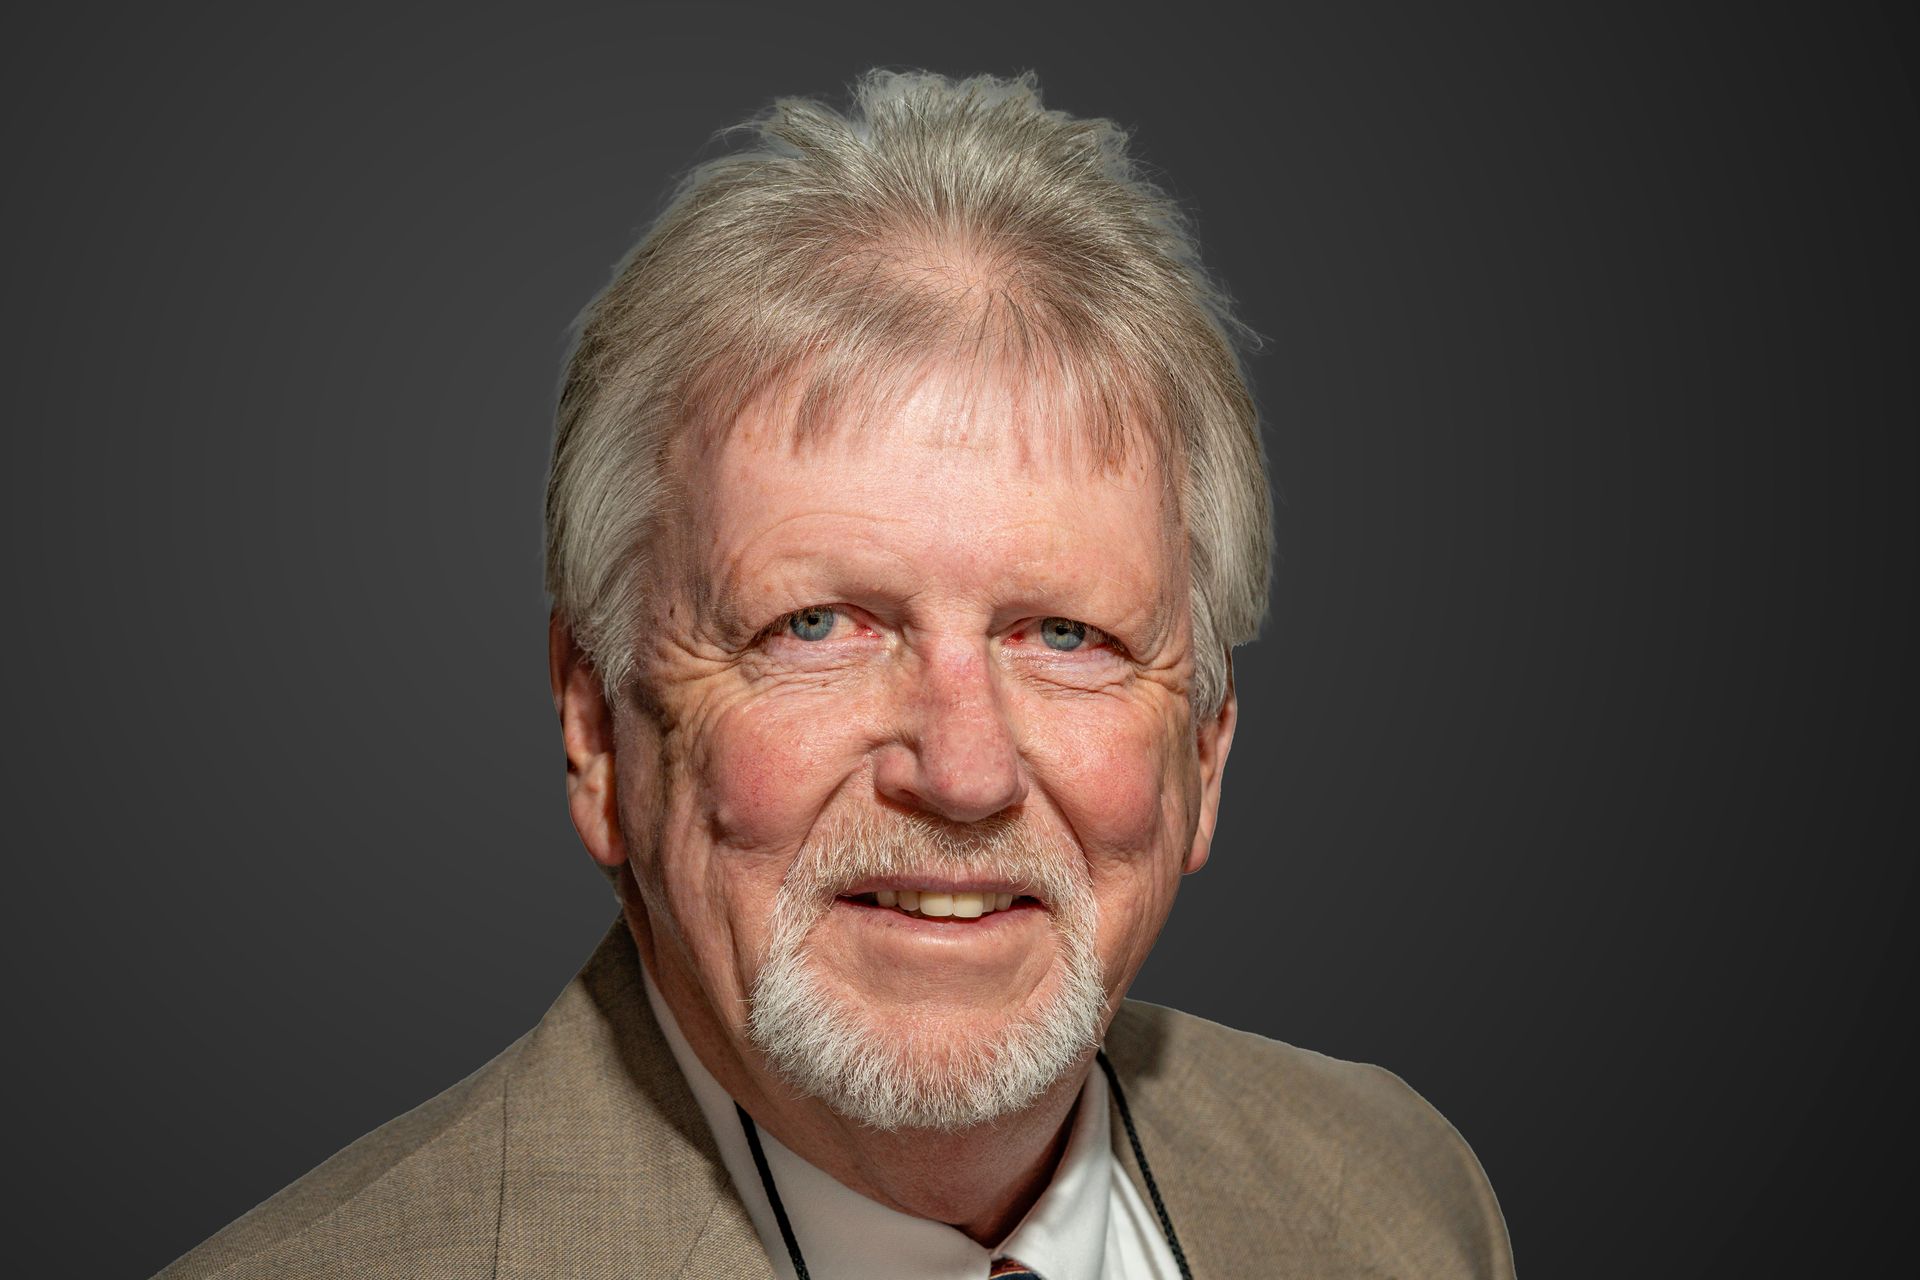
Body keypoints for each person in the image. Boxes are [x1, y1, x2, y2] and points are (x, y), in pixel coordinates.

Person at [159, 71, 1512, 1279]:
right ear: (595, 727)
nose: (965, 770)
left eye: (1065, 636)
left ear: (1204, 756)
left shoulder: (1399, 1201)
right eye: (819, 627)